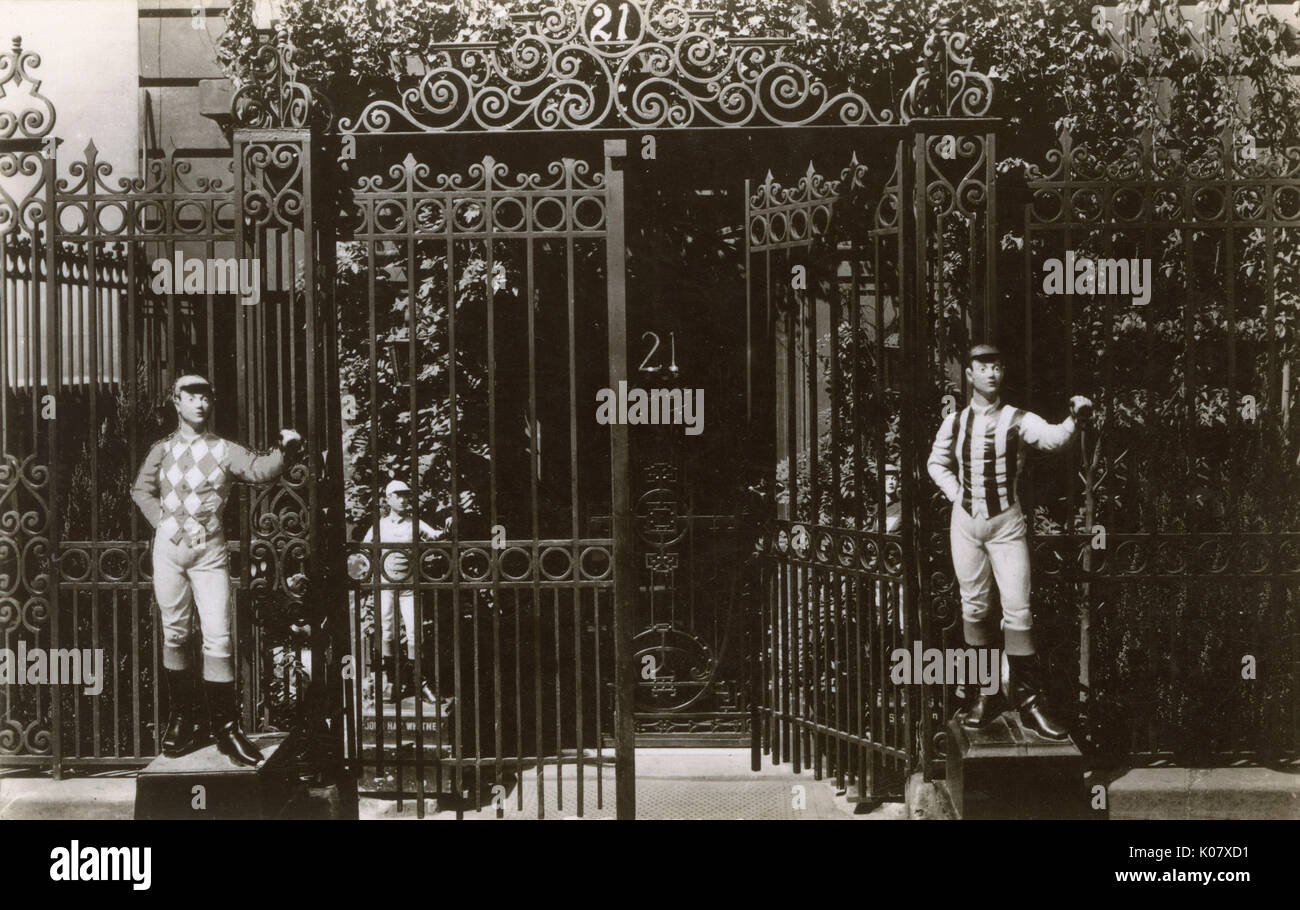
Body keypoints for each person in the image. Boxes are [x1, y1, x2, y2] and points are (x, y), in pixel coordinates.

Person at [131, 374, 301, 766]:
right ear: (176, 402)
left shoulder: (225, 450)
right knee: (174, 632)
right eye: (191, 396)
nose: (200, 403)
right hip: (169, 552)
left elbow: (259, 470)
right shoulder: (162, 450)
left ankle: (226, 729)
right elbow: (141, 489)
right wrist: (162, 523)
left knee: (219, 637)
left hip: (209, 553)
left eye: (206, 396)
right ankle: (183, 719)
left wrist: (285, 448)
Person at [926, 343, 1092, 741]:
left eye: (998, 366)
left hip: (1006, 526)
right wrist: (955, 494)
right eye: (983, 367)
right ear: (969, 375)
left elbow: (1053, 440)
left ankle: (1030, 702)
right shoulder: (955, 422)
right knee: (974, 608)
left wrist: (1074, 418)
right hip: (966, 526)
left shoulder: (1018, 419)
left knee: (1018, 609)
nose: (992, 373)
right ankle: (985, 696)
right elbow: (936, 462)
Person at [361, 479, 441, 704]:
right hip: (386, 586)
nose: (405, 499)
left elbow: (433, 535)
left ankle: (420, 682)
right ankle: (392, 681)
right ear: (388, 499)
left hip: (409, 587)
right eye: (399, 495)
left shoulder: (414, 523)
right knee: (387, 631)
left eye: (407, 495)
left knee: (416, 631)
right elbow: (364, 550)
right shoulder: (380, 525)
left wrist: (446, 529)